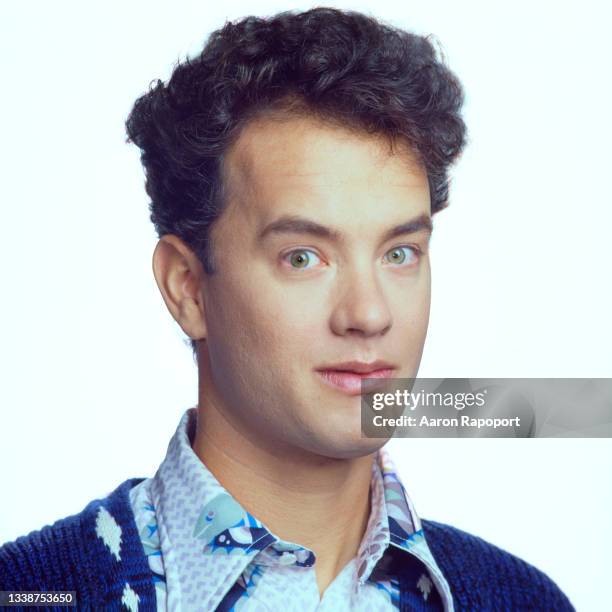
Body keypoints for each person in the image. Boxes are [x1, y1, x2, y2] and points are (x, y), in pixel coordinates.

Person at [0, 7, 574, 611]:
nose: (370, 313)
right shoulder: (30, 596)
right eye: (303, 257)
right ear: (188, 288)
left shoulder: (523, 600)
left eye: (399, 252)